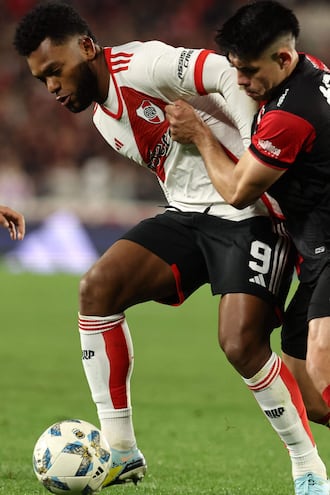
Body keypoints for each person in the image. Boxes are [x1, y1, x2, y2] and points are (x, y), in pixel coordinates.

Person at [13, 2, 327, 494]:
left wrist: (251, 147)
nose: (52, 87)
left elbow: (226, 72)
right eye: (41, 80)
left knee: (241, 344)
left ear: (88, 49)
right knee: (97, 290)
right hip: (189, 216)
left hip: (251, 217)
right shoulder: (103, 120)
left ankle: (308, 468)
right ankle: (121, 451)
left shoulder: (144, 64)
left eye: (56, 71)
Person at [166, 0, 330, 453]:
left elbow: (238, 190)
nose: (240, 81)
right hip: (315, 252)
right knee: (311, 398)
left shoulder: (289, 116)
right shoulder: (307, 70)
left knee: (319, 367)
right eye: (235, 69)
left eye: (249, 71)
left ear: (282, 58)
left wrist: (199, 134)